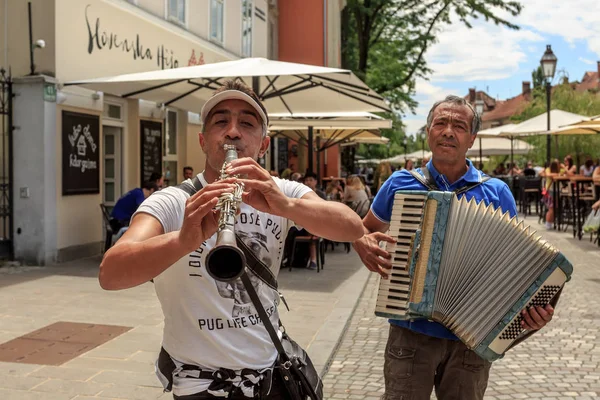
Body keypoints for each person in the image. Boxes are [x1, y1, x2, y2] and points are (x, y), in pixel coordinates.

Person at [99, 80, 364, 399]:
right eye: (221, 121)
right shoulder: (171, 200)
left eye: (247, 124)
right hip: (201, 384)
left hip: (272, 372)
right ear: (203, 140)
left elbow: (352, 227)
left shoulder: (281, 191)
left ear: (263, 145)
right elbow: (110, 274)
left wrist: (287, 206)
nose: (233, 132)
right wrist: (183, 241)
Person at [352, 95, 554, 400]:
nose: (448, 131)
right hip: (410, 331)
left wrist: (535, 311)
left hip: (471, 338)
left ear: (471, 138)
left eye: (459, 126)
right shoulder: (400, 183)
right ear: (428, 132)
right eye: (441, 123)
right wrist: (361, 243)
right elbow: (364, 229)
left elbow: (519, 265)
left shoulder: (496, 192)